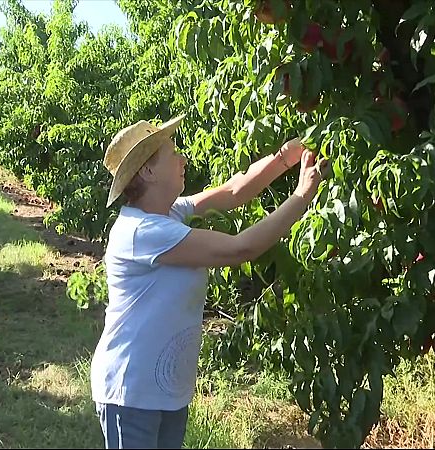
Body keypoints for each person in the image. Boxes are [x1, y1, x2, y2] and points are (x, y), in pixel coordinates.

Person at [91, 114, 328, 449]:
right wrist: (302, 197)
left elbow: (234, 190)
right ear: (148, 171)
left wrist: (286, 157)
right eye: (172, 154)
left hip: (166, 390)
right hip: (131, 392)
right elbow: (239, 248)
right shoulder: (142, 232)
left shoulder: (168, 212)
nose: (182, 158)